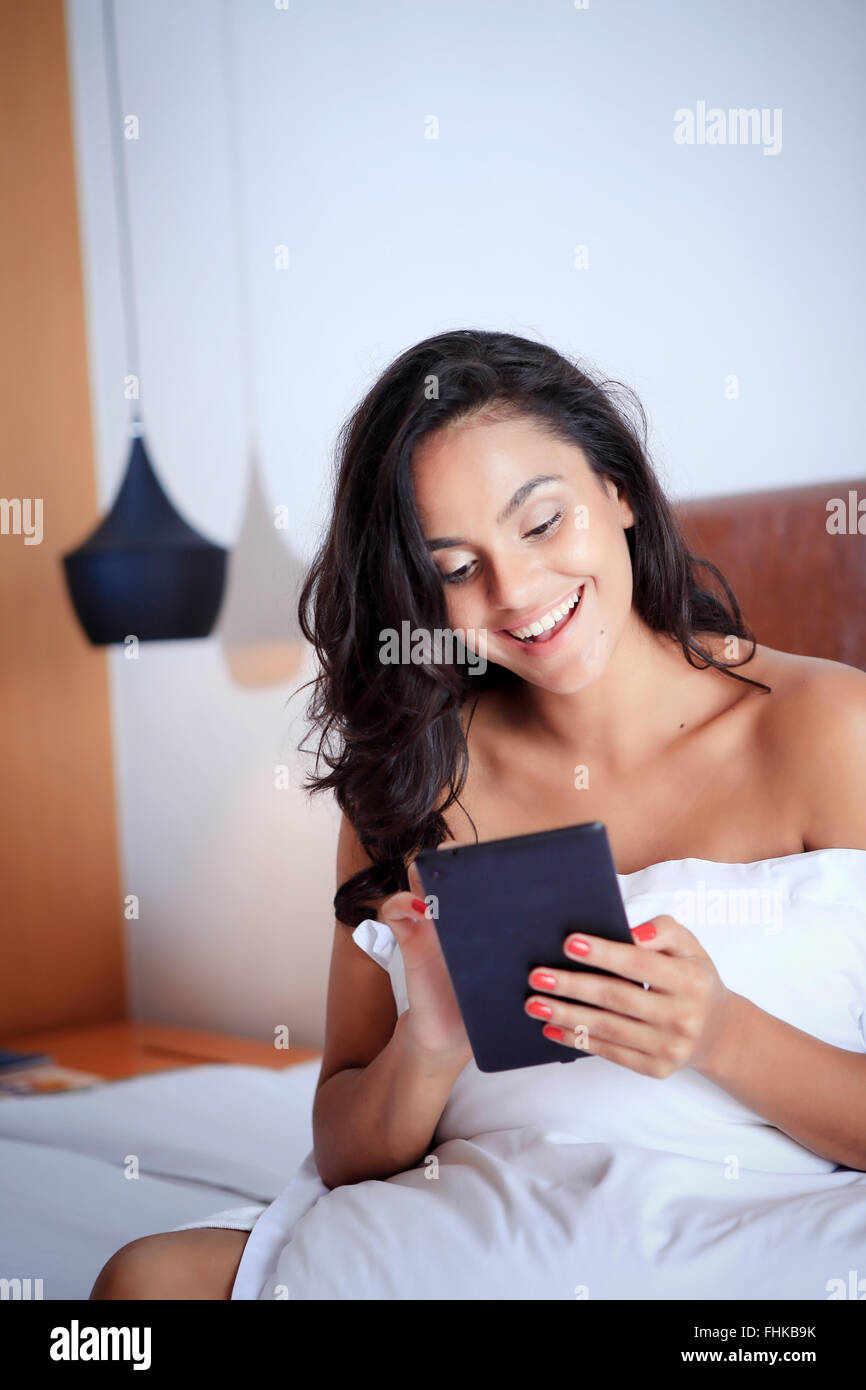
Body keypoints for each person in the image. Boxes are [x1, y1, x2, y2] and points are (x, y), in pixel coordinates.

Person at [91, 329, 866, 1300]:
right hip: (472, 1236)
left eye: (541, 524)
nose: (517, 593)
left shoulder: (829, 731)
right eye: (456, 567)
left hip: (763, 1232)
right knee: (144, 1288)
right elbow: (345, 1150)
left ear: (616, 490)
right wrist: (431, 1042)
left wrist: (719, 1036)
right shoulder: (412, 779)